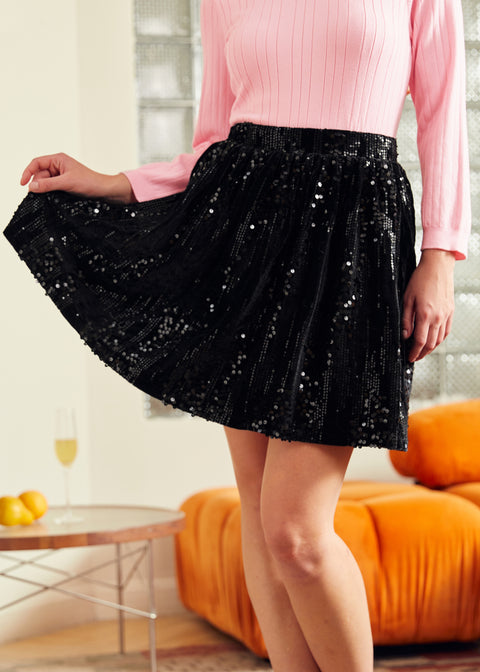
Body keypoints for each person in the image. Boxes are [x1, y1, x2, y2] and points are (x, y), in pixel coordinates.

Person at [4, 0, 471, 670]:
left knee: (295, 533)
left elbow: (443, 111)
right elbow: (214, 143)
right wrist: (114, 183)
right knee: (258, 513)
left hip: (351, 238)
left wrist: (441, 255)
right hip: (244, 233)